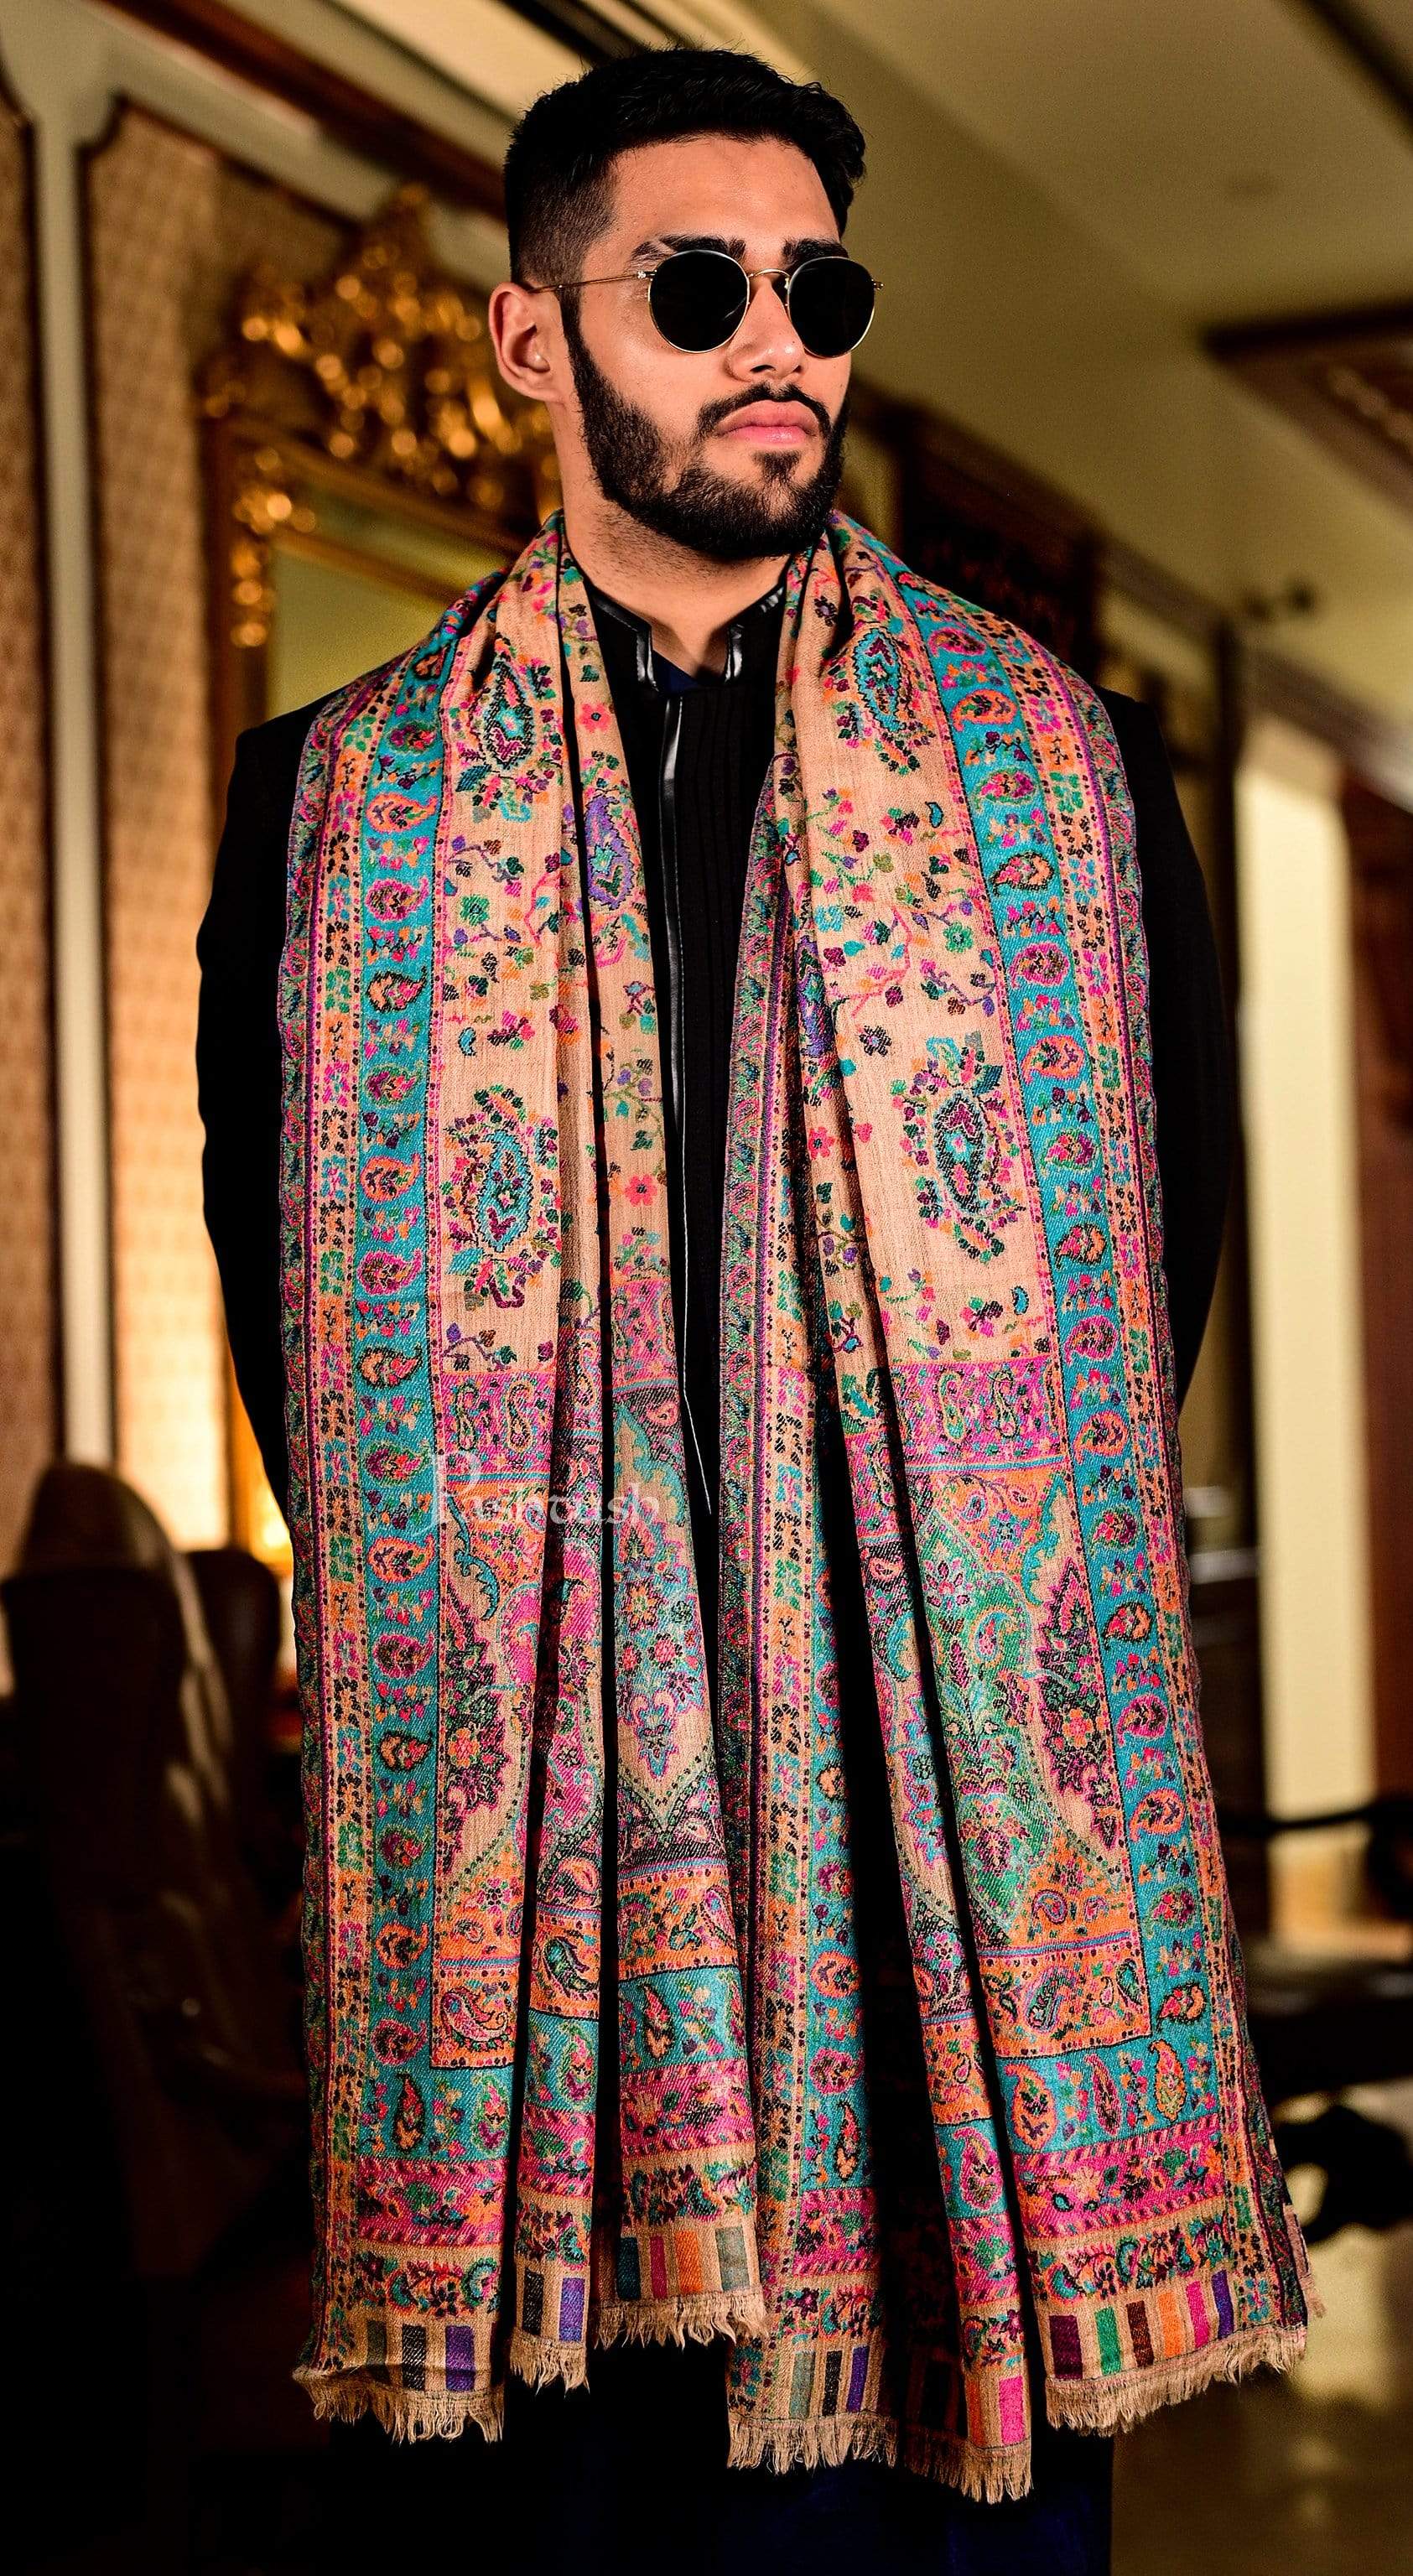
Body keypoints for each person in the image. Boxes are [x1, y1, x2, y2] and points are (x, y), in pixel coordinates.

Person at [196, 47, 1308, 2576]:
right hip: (532, 1877)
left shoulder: (1061, 767)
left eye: (821, 286)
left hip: (942, 1861)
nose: (778, 337)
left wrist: (888, 1604)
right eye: (697, 288)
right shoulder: (335, 801)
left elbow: (1152, 1283)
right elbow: (302, 1343)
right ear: (533, 337)